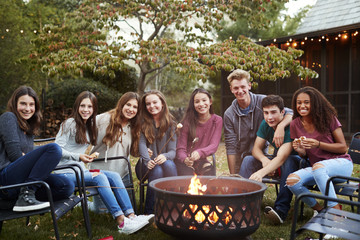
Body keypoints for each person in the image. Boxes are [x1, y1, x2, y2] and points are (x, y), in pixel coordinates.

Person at [55, 91, 150, 235]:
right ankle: (121, 222)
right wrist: (79, 157)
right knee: (100, 186)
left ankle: (131, 216)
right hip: (66, 171)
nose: (86, 110)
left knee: (114, 176)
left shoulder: (86, 126)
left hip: (81, 170)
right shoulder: (71, 123)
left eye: (90, 107)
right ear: (77, 107)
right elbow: (55, 149)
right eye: (83, 106)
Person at [0, 86, 74, 212]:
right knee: (54, 149)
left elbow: (26, 156)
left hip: (21, 178)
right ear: (14, 104)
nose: (27, 109)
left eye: (31, 104)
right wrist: (29, 158)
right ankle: (26, 194)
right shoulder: (8, 118)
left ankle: (19, 199)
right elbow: (15, 155)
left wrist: (30, 159)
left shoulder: (28, 128)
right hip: (6, 179)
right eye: (23, 104)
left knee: (66, 186)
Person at [287, 86, 353, 218]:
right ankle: (321, 210)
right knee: (292, 181)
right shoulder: (295, 124)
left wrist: (318, 144)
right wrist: (300, 150)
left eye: (307, 102)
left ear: (315, 103)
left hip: (341, 165)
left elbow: (342, 147)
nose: (302, 106)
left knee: (318, 167)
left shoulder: (328, 118)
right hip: (318, 169)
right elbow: (304, 154)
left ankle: (337, 216)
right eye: (299, 103)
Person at [239, 95, 301, 224]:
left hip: (297, 163)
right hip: (277, 161)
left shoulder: (291, 126)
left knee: (289, 160)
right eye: (266, 113)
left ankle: (281, 210)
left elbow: (282, 157)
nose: (269, 117)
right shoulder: (265, 124)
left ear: (282, 112)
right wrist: (264, 160)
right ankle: (242, 204)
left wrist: (261, 172)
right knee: (248, 160)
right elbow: (256, 149)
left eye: (273, 112)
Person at [223, 69, 293, 174]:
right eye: (236, 88)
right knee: (240, 181)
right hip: (242, 156)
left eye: (243, 86)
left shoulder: (263, 101)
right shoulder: (229, 114)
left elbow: (290, 113)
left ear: (249, 86)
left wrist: (281, 126)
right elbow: (230, 146)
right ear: (231, 89)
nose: (240, 91)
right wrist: (233, 175)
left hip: (261, 154)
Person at [90, 92, 141, 213]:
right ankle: (83, 204)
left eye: (135, 107)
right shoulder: (103, 119)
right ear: (122, 104)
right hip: (100, 172)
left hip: (122, 174)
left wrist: (144, 151)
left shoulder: (134, 126)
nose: (131, 109)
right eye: (128, 105)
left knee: (128, 209)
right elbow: (83, 130)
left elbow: (134, 152)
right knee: (102, 211)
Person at [136, 90, 178, 214]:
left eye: (155, 102)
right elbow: (141, 144)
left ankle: (172, 206)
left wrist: (164, 156)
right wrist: (146, 160)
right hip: (145, 166)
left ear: (163, 104)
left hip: (165, 166)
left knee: (168, 164)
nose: (151, 106)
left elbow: (172, 151)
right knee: (157, 169)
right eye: (148, 104)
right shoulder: (143, 123)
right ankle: (150, 211)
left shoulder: (171, 124)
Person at [176, 88, 222, 176]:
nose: (201, 104)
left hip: (201, 160)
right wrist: (185, 159)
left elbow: (214, 145)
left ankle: (209, 190)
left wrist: (200, 152)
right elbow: (180, 148)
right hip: (185, 161)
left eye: (204, 100)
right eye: (197, 102)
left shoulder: (217, 120)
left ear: (210, 101)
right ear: (193, 104)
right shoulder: (187, 121)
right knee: (188, 176)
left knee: (209, 171)